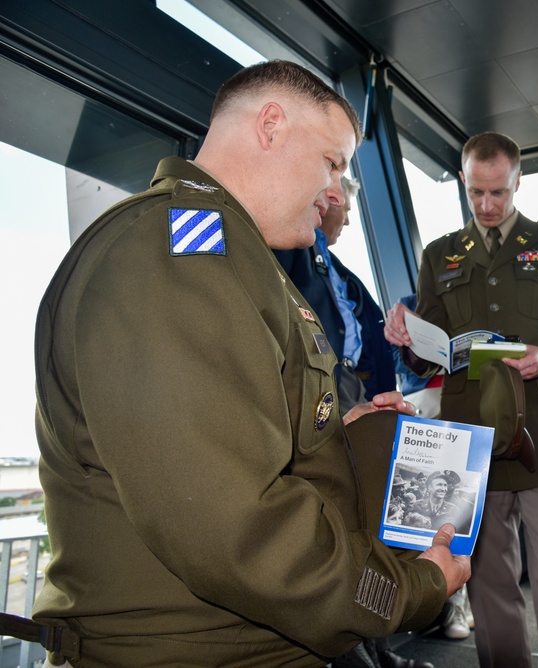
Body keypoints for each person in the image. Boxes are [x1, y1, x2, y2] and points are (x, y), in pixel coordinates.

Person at [32, 60, 469, 666]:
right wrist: (410, 589)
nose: (335, 192)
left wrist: (343, 433)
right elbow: (232, 526)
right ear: (270, 126)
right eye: (332, 163)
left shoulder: (236, 261)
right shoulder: (179, 254)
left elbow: (227, 447)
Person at [385, 131, 538, 667]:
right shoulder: (439, 256)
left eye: (499, 194)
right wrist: (408, 340)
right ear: (464, 181)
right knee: (487, 586)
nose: (487, 206)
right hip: (471, 450)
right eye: (476, 193)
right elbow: (428, 356)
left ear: (517, 182)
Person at [274, 178, 432, 668]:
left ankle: (375, 648)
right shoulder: (286, 257)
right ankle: (353, 651)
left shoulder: (337, 271)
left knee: (365, 526)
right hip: (319, 410)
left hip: (358, 406)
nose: (340, 212)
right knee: (335, 532)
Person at [275, 175, 396, 413]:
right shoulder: (292, 249)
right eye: (346, 210)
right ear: (326, 203)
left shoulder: (336, 268)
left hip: (349, 382)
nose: (348, 221)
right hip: (320, 381)